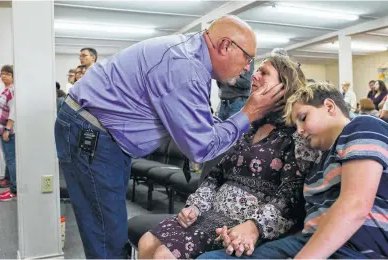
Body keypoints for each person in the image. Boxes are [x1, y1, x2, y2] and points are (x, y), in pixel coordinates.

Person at [55, 15, 286, 259]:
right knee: (107, 238)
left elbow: (202, 124)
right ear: (225, 46)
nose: (249, 69)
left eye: (260, 69)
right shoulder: (184, 67)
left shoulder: (191, 59)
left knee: (110, 230)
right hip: (94, 137)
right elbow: (202, 147)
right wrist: (248, 114)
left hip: (102, 136)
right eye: (249, 59)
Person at [137, 51, 319, 259]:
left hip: (241, 225)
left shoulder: (295, 134)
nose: (254, 75)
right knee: (147, 242)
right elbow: (215, 176)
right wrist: (196, 206)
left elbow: (291, 196)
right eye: (256, 70)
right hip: (209, 214)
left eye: (264, 73)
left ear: (283, 88)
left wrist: (254, 226)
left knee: (164, 255)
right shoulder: (247, 129)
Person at [199, 82, 388, 259]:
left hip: (355, 247)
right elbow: (310, 223)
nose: (299, 131)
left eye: (303, 118)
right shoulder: (317, 166)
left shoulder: (362, 126)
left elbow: (355, 205)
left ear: (329, 107)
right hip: (307, 241)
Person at [0, 65, 17, 202]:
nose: (3, 76)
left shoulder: (13, 90)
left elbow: (13, 111)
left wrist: (7, 129)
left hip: (8, 131)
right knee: (9, 159)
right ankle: (12, 188)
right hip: (3, 130)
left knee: (11, 160)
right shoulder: (6, 90)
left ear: (13, 76)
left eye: (7, 74)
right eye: (2, 74)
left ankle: (15, 190)